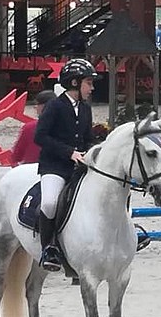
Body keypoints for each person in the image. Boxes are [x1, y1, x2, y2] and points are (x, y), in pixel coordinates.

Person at [34, 58, 97, 271]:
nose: (92, 87)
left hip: (79, 166)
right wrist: (69, 152)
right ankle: (48, 248)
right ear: (74, 83)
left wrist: (94, 150)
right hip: (54, 166)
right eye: (88, 83)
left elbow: (87, 137)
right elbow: (40, 137)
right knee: (50, 202)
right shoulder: (54, 106)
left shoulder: (86, 109)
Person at [11, 90, 55, 165]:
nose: (35, 107)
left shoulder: (29, 128)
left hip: (32, 170)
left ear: (43, 106)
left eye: (37, 104)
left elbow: (16, 156)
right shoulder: (69, 126)